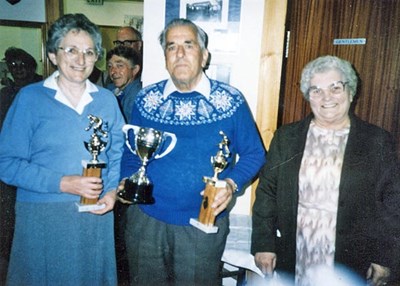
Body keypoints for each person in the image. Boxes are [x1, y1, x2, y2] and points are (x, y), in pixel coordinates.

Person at [118, 18, 266, 285]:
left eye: (189, 44)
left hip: (203, 223)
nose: (180, 53)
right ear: (165, 57)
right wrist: (127, 179)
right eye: (172, 47)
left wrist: (231, 184)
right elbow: (131, 151)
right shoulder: (145, 99)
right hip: (145, 222)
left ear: (205, 55)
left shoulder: (231, 101)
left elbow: (255, 153)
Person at [251, 55, 400, 286]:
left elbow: (392, 203)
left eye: (335, 88)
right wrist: (263, 244)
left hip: (351, 259)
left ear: (351, 92)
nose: (326, 97)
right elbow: (267, 193)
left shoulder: (377, 141)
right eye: (316, 90)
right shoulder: (286, 138)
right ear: (307, 96)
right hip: (296, 253)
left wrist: (384, 257)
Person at [0, 13, 125, 285]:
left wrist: (112, 191)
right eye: (71, 50)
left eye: (89, 52)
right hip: (44, 219)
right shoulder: (30, 98)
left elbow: (117, 155)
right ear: (54, 55)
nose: (81, 60)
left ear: (96, 58)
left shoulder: (106, 101)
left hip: (94, 217)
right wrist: (63, 183)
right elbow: (6, 162)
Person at [0, 47, 42, 285]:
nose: (18, 69)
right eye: (13, 66)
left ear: (32, 66)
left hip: (33, 166)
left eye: (22, 65)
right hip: (9, 167)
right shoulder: (5, 93)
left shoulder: (41, 91)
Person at [106, 45, 142, 123]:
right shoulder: (109, 91)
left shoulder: (137, 97)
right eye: (110, 66)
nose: (113, 71)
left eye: (120, 66)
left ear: (135, 70)